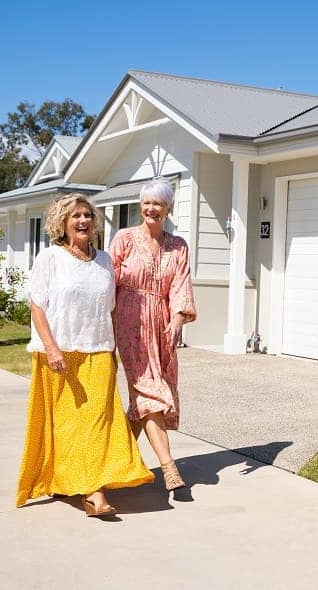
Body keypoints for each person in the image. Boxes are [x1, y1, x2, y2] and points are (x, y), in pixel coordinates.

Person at [16, 194, 153, 517]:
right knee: (68, 427)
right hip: (61, 354)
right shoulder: (50, 258)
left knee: (98, 424)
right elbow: (37, 306)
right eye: (75, 216)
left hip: (100, 351)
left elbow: (112, 308)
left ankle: (93, 487)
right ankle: (84, 487)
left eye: (87, 215)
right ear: (62, 223)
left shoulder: (105, 260)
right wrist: (51, 348)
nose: (82, 221)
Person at [109, 179, 196, 492]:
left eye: (158, 204)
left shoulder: (178, 246)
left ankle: (114, 460)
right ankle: (169, 467)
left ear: (168, 209)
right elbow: (107, 280)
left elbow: (180, 285)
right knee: (150, 390)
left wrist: (177, 320)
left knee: (141, 400)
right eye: (146, 203)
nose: (151, 209)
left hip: (161, 323)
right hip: (129, 319)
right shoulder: (124, 238)